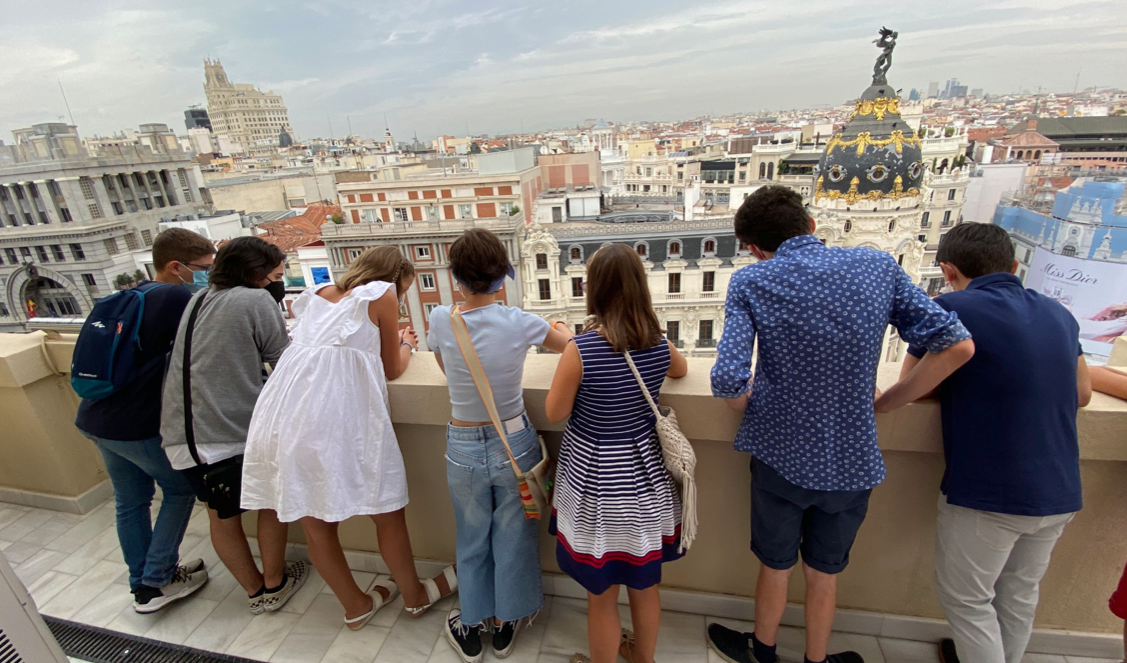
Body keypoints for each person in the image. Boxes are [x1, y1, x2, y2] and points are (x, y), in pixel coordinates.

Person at [706, 186, 975, 663]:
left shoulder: (753, 282)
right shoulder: (878, 268)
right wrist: (889, 401)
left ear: (753, 247)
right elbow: (956, 345)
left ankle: (762, 652)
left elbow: (728, 380)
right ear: (811, 225)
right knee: (824, 572)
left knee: (775, 564)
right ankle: (816, 659)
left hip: (780, 455)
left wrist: (748, 404)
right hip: (852, 458)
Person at [888, 223, 1089, 663]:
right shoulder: (1058, 313)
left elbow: (912, 385)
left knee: (967, 600)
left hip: (992, 489)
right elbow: (1084, 393)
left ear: (947, 269)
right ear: (1014, 266)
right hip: (1060, 487)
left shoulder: (950, 309)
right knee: (1018, 595)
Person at [241, 246, 458, 630]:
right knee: (386, 512)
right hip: (335, 417)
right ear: (394, 279)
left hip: (284, 414)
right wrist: (406, 344)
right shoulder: (382, 293)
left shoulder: (319, 294)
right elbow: (391, 368)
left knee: (316, 523)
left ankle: (356, 605)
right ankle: (415, 596)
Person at [426, 228, 573, 663]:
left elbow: (443, 366)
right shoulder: (520, 322)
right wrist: (560, 325)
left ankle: (472, 623)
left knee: (472, 537)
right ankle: (508, 622)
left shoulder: (440, 319)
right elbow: (572, 349)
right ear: (502, 277)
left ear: (456, 278)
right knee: (514, 534)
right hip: (515, 441)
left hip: (464, 443)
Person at [545, 243, 688, 663]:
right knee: (645, 588)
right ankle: (643, 659)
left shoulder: (582, 349)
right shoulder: (658, 343)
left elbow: (555, 411)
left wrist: (571, 341)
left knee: (601, 595)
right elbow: (680, 370)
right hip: (644, 484)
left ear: (596, 291)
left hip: (597, 486)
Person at [160, 236, 306, 615]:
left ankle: (254, 590)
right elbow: (285, 361)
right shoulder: (256, 300)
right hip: (229, 431)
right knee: (270, 504)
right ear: (255, 274)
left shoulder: (198, 299)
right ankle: (275, 583)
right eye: (275, 274)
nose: (279, 281)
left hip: (183, 436)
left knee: (220, 515)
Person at [74, 228, 215, 613]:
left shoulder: (132, 295)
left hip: (97, 417)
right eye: (203, 268)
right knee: (180, 489)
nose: (208, 275)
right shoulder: (173, 297)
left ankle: (142, 579)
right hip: (135, 424)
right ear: (176, 266)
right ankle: (156, 581)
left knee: (131, 500)